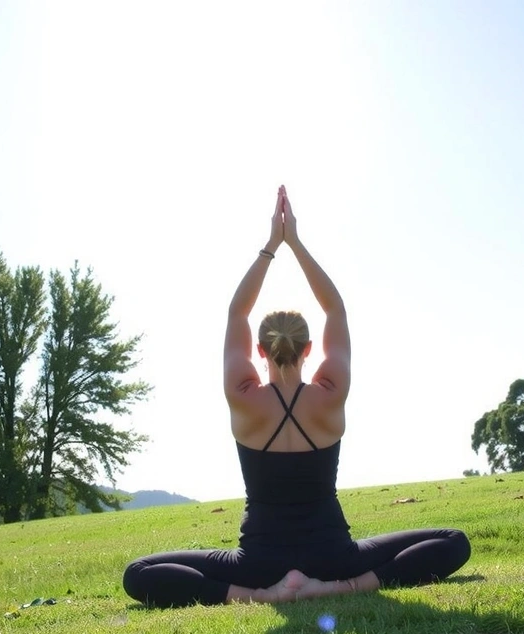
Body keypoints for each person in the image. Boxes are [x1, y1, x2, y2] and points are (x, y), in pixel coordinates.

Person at [123, 186, 470, 608]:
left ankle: (254, 597)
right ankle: (337, 589)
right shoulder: (331, 392)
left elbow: (237, 313)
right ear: (309, 350)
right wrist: (296, 244)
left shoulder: (242, 395)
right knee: (454, 542)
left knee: (138, 574)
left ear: (259, 352)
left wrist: (271, 246)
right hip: (333, 558)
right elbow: (336, 310)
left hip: (259, 563)